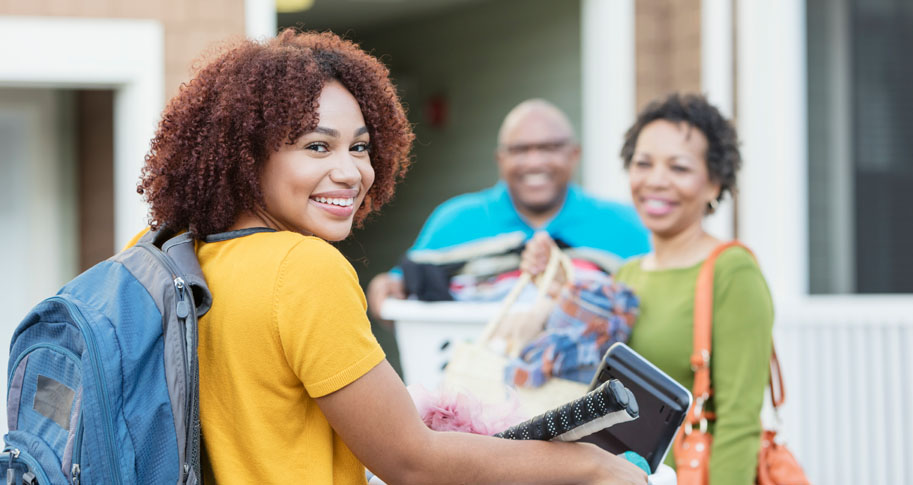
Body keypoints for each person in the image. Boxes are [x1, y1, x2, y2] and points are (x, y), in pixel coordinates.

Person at [136, 29, 647, 484]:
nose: (351, 172)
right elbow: (411, 462)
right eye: (317, 146)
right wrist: (591, 465)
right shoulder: (303, 269)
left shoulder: (169, 251)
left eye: (360, 148)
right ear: (246, 155)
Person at [522, 93, 773, 484]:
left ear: (714, 184)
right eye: (643, 163)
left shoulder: (732, 271)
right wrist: (557, 291)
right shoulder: (627, 275)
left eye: (679, 167)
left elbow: (740, 422)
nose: (656, 180)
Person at [367, 99, 650, 317]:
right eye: (520, 150)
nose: (534, 161)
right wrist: (384, 289)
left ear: (574, 154)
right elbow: (400, 293)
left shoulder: (625, 224)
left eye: (549, 147)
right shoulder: (455, 220)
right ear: (500, 159)